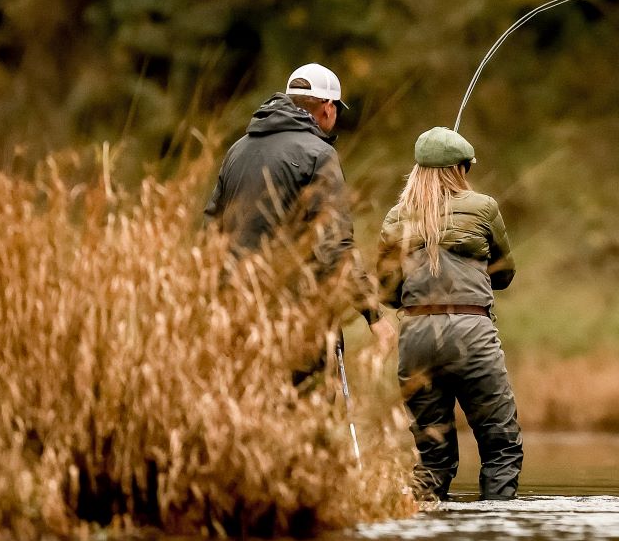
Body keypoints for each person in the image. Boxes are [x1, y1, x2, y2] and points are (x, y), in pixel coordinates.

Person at [204, 62, 383, 375]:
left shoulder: (237, 150)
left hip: (233, 311)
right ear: (327, 108)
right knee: (302, 409)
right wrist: (374, 317)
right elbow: (335, 248)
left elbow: (210, 228)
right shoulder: (318, 154)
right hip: (297, 315)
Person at [377, 126, 523, 501]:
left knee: (433, 459)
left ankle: (427, 531)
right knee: (500, 446)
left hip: (416, 339)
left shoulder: (395, 218)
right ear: (460, 170)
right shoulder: (484, 207)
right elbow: (504, 274)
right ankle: (496, 529)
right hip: (471, 334)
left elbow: (387, 292)